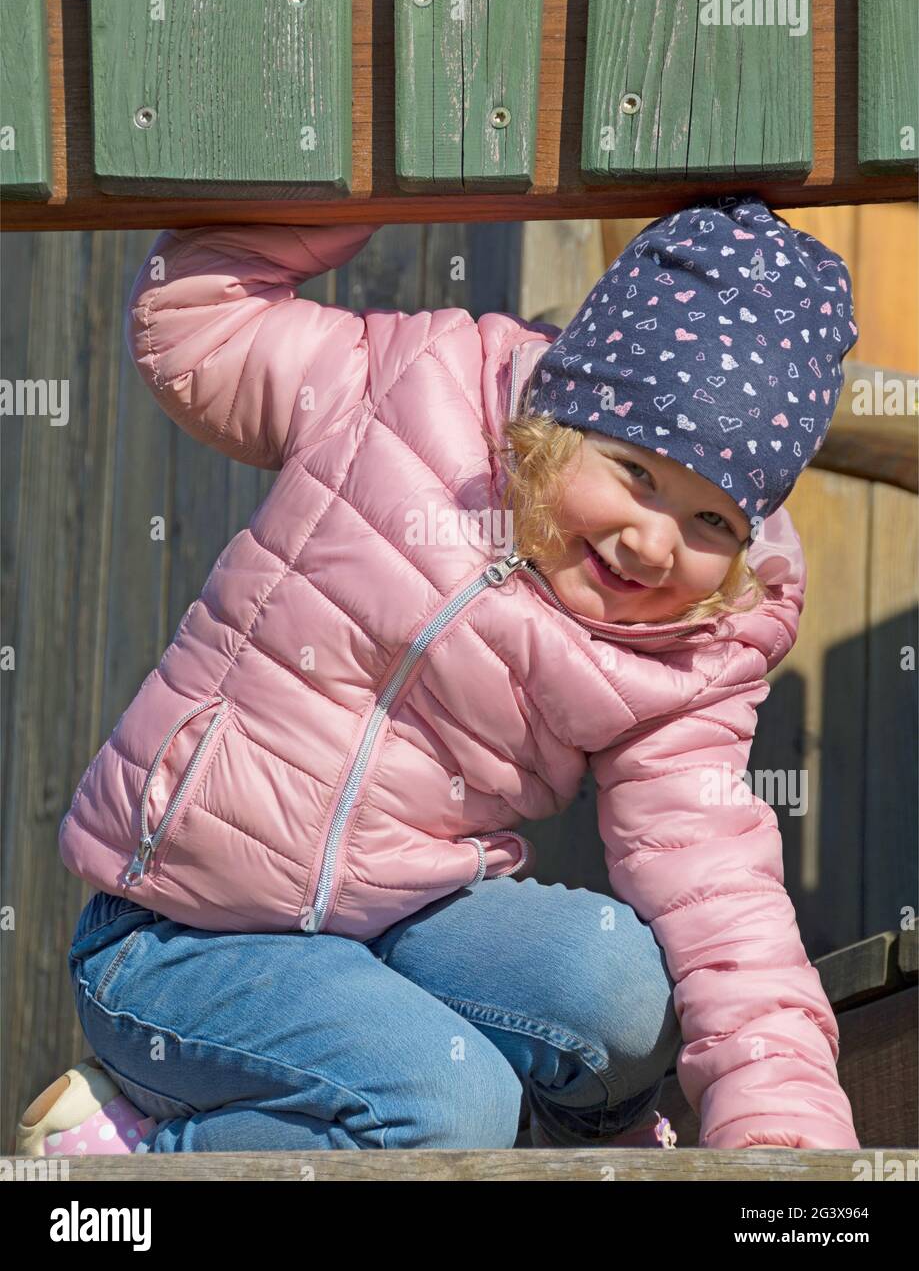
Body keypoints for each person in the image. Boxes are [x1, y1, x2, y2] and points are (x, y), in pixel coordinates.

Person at [18, 194, 861, 1156]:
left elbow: (717, 888)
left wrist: (786, 1131)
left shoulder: (686, 642)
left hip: (405, 932)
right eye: (633, 472)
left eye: (711, 523)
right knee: (443, 1105)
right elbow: (196, 324)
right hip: (180, 940)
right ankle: (141, 1152)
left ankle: (566, 1148)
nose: (652, 541)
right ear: (561, 420)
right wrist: (362, 180)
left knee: (617, 983)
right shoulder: (402, 393)